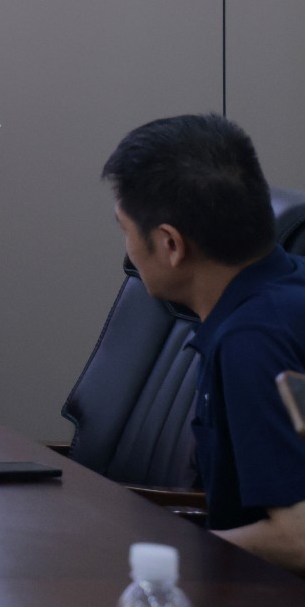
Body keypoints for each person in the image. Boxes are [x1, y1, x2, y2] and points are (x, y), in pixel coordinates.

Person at [102, 114, 305, 574]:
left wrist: (164, 563)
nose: (128, 249)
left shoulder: (252, 342)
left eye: (126, 230)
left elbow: (298, 538)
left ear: (171, 244)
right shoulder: (282, 294)